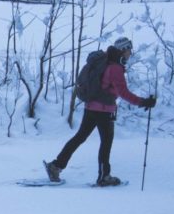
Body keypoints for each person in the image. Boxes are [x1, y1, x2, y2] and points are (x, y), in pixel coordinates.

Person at [44, 37, 156, 187]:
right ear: (123, 50)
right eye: (129, 50)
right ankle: (104, 176)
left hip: (91, 107)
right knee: (106, 143)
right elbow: (123, 92)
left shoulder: (105, 62)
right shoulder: (115, 68)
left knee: (79, 137)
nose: (130, 53)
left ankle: (55, 166)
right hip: (104, 110)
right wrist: (143, 102)